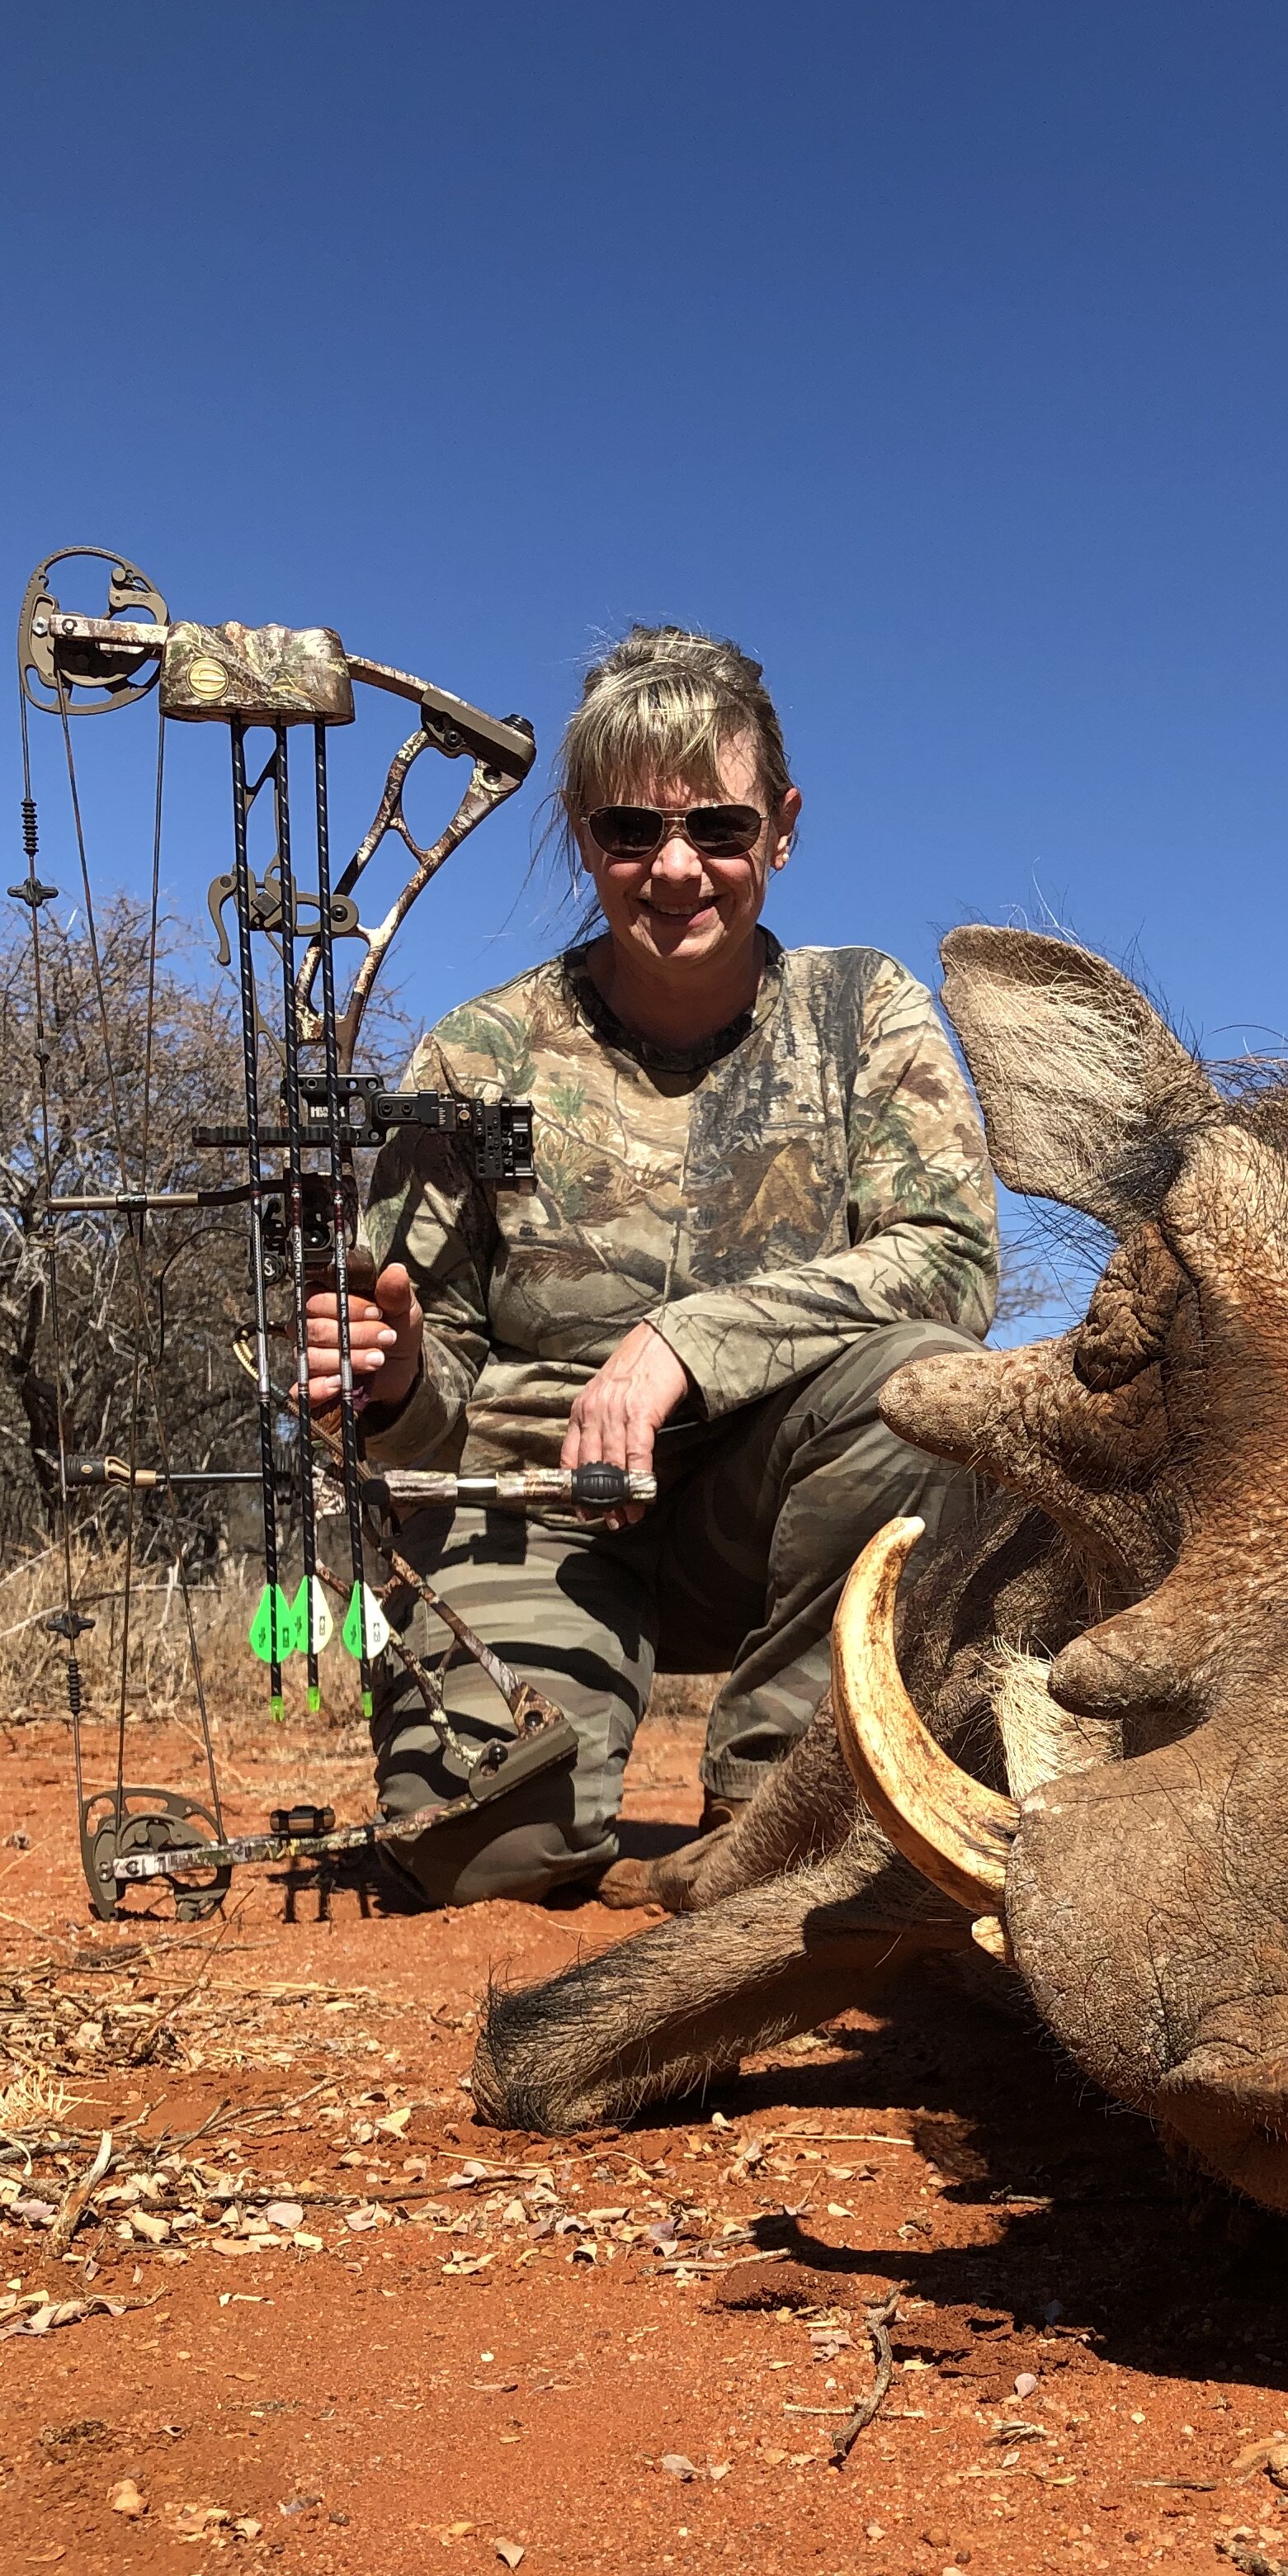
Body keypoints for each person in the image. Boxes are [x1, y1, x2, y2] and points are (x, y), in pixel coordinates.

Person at [301, 625, 996, 1906]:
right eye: (630, 832)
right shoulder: (473, 1055)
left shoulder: (866, 1011)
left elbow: (950, 1263)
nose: (677, 870)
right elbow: (427, 1367)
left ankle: (781, 1805)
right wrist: (395, 1386)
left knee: (927, 1384)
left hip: (778, 1513)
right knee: (482, 1860)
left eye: (720, 830)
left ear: (781, 829)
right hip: (535, 1513)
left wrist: (693, 1339)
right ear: (583, 835)